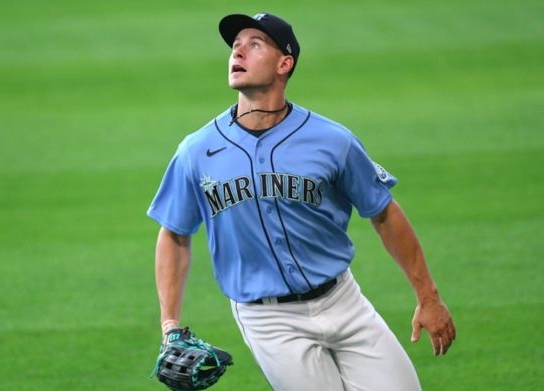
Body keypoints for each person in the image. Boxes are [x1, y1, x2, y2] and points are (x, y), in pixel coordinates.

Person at [148, 12, 456, 390]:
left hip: (344, 301)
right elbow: (174, 234)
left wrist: (429, 297)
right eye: (234, 45)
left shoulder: (332, 140)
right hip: (270, 321)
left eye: (253, 44)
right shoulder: (197, 150)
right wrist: (170, 328)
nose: (237, 52)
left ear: (284, 64)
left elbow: (384, 213)